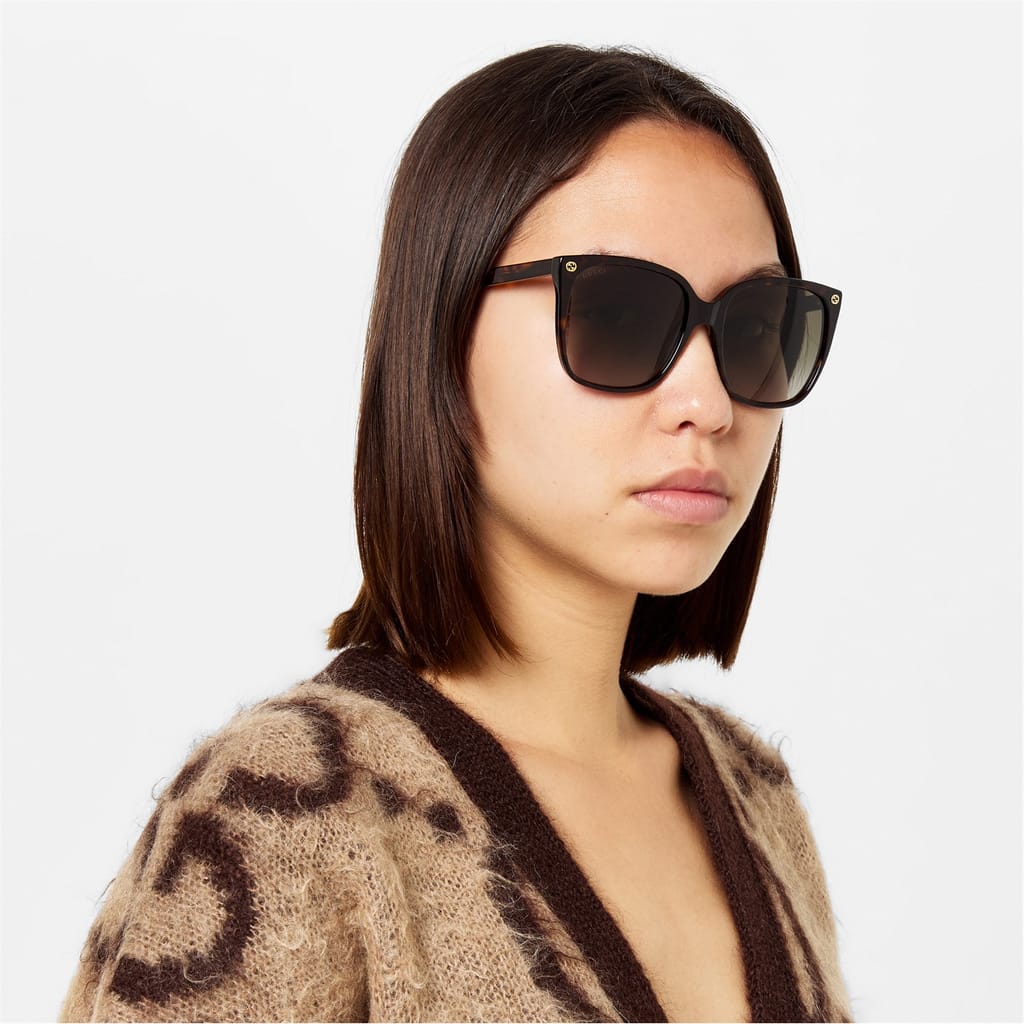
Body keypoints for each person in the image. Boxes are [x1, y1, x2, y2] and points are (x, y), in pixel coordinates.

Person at [60, 43, 852, 1023]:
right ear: (440, 336)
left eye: (756, 324)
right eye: (615, 311)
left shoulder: (752, 795)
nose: (711, 403)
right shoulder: (283, 815)